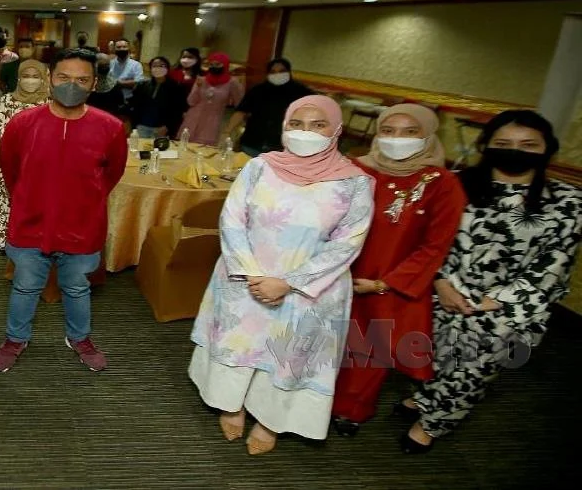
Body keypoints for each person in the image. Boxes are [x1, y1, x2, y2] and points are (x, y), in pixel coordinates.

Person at [189, 95, 374, 454]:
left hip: (310, 289)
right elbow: (232, 218)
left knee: (289, 357)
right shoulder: (260, 166)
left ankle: (270, 420)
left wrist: (288, 283)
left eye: (318, 125)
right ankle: (231, 405)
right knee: (238, 344)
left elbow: (348, 242)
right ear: (285, 126)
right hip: (246, 277)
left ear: (336, 129)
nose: (306, 132)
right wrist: (250, 273)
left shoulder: (354, 182)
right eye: (296, 124)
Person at [399, 110, 580, 453]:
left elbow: (554, 263)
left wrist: (490, 302)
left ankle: (432, 424)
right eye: (503, 143)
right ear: (485, 145)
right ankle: (423, 398)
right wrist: (441, 283)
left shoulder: (567, 202)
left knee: (470, 371)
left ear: (548, 149)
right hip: (442, 292)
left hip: (506, 309)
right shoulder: (453, 185)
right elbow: (428, 240)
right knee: (429, 355)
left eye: (528, 145)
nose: (515, 151)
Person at [329, 104, 466, 437]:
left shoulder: (442, 184)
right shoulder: (355, 169)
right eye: (388, 131)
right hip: (337, 272)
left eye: (410, 132)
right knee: (324, 340)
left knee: (368, 349)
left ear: (428, 136)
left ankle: (350, 409)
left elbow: (435, 246)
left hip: (388, 283)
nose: (397, 139)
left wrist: (383, 284)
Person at [0, 49, 127, 373]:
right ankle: (16, 339)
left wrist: (84, 203)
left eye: (81, 79)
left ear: (94, 84)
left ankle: (79, 338)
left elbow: (112, 175)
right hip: (30, 223)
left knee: (77, 288)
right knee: (25, 287)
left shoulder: (110, 127)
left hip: (82, 226)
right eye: (64, 77)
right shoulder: (23, 124)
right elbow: (10, 170)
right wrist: (31, 200)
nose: (71, 85)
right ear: (51, 78)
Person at [0, 60, 50, 250]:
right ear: (18, 78)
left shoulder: (51, 102)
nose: (30, 80)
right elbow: (4, 130)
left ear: (43, 79)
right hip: (13, 159)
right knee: (11, 195)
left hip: (43, 161)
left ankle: (35, 238)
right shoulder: (7, 100)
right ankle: (6, 239)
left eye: (35, 77)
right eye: (26, 76)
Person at [224, 58, 313, 156]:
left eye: (282, 71)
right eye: (273, 72)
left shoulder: (301, 92)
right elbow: (241, 112)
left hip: (282, 148)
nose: (277, 74)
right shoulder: (258, 90)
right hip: (252, 143)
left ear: (289, 72)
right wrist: (227, 131)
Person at [181, 51, 244, 146]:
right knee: (185, 147)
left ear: (225, 65)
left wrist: (231, 126)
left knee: (204, 149)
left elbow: (240, 105)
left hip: (212, 122)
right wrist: (197, 87)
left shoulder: (232, 83)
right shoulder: (202, 80)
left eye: (217, 64)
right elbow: (191, 102)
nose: (214, 67)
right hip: (192, 119)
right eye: (211, 64)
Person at [130, 56, 185, 140]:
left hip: (162, 129)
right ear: (150, 68)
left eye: (162, 66)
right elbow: (134, 105)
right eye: (155, 66)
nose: (158, 68)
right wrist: (134, 124)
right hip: (142, 126)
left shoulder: (176, 87)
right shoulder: (142, 85)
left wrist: (168, 126)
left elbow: (178, 111)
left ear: (167, 68)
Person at [87, 53, 125, 117]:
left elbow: (119, 103)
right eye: (102, 65)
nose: (105, 67)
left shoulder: (114, 83)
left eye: (106, 65)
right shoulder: (86, 83)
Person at [108, 38, 145, 103]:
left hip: (129, 99)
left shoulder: (136, 65)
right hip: (110, 98)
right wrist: (129, 82)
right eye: (118, 47)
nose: (121, 49)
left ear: (129, 48)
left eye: (124, 47)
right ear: (114, 49)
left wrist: (119, 83)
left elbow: (139, 82)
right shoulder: (109, 64)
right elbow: (106, 81)